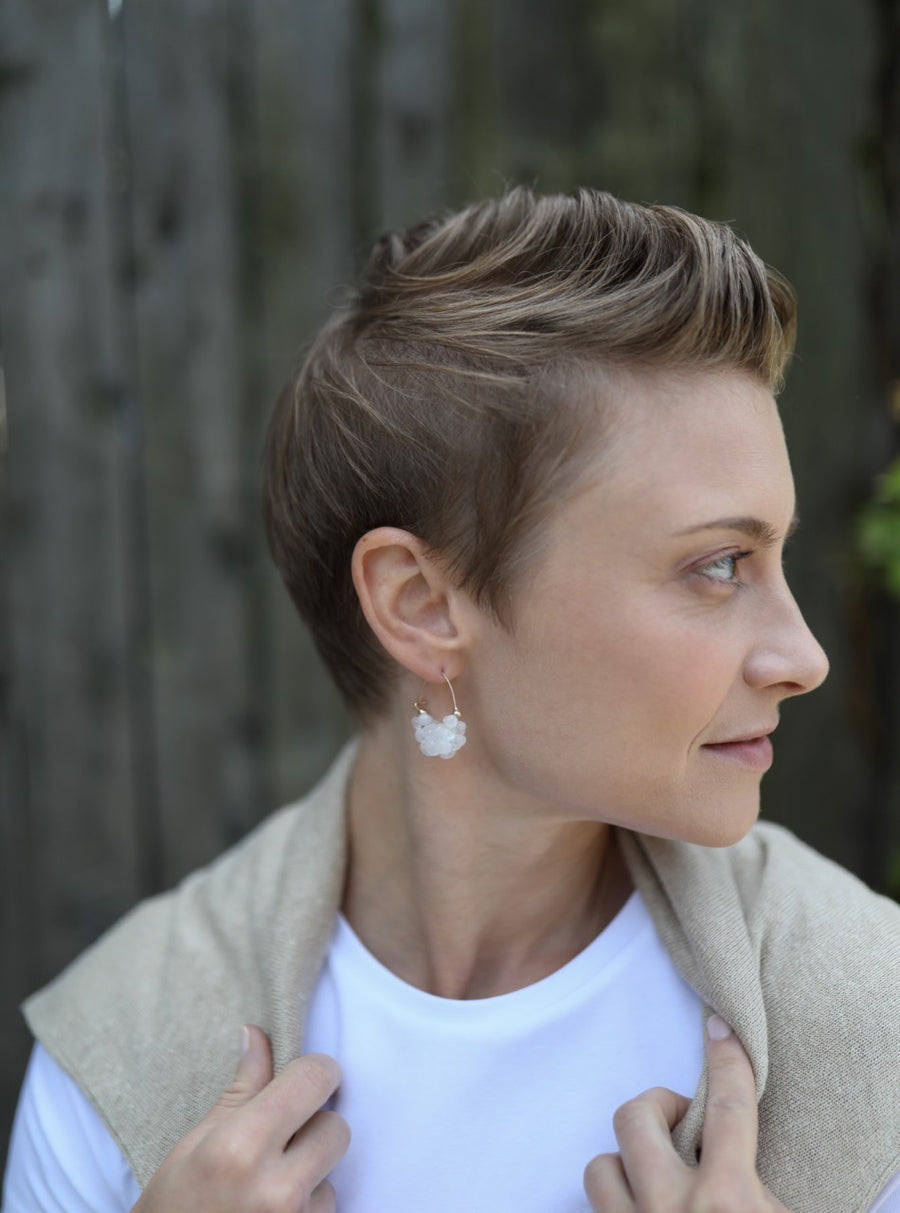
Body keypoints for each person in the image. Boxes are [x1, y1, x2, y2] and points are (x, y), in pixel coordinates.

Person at [4, 188, 899, 1213]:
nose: (804, 655)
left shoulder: (874, 1035)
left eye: (773, 557)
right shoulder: (121, 1055)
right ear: (422, 605)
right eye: (718, 563)